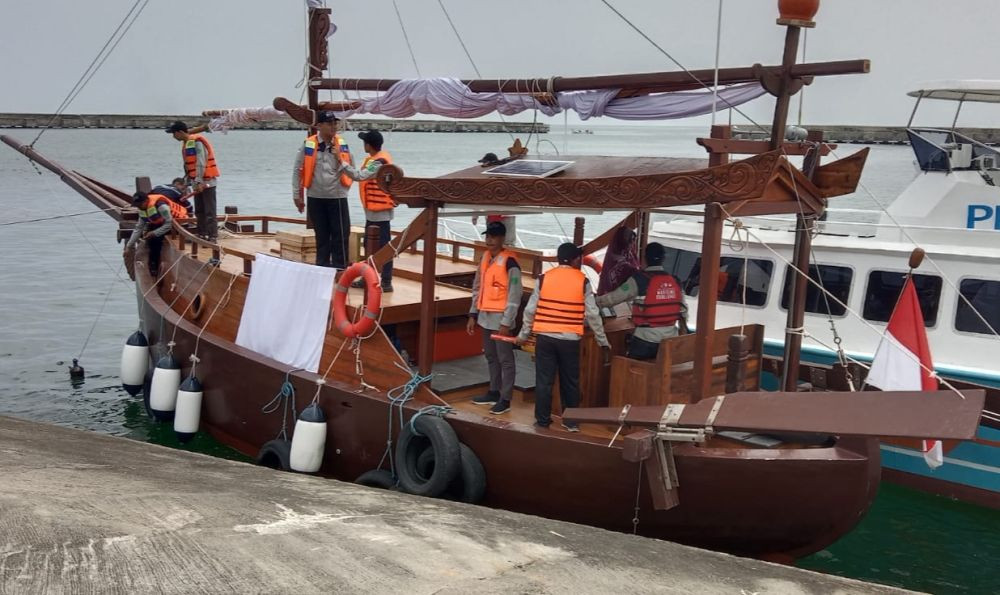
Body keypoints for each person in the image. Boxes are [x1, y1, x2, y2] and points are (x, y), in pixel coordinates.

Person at [516, 243, 610, 431]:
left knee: (544, 381)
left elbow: (530, 310)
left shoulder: (544, 279)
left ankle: (542, 421)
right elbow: (592, 314)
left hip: (545, 338)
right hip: (569, 340)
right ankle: (571, 422)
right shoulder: (582, 281)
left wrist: (523, 335)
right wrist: (602, 341)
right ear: (576, 259)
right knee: (570, 381)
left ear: (558, 258)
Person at [292, 111, 379, 268]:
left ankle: (340, 269)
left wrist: (339, 158)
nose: (333, 126)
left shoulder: (342, 145)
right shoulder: (308, 144)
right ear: (319, 125)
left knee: (341, 235)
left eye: (335, 123)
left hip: (337, 197)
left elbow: (352, 169)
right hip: (315, 197)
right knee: (322, 236)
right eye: (329, 123)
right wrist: (297, 195)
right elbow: (298, 170)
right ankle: (322, 267)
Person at [466, 221, 523, 415]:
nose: (489, 239)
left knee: (505, 359)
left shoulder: (510, 262)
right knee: (490, 356)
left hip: (501, 319)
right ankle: (493, 390)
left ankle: (505, 398)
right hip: (485, 316)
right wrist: (473, 314)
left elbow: (515, 294)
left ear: (502, 238)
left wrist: (507, 321)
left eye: (493, 236)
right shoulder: (485, 258)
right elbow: (477, 287)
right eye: (487, 236)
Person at [596, 242, 688, 360]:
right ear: (663, 259)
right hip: (670, 340)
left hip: (645, 339)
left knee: (631, 371)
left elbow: (613, 298)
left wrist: (595, 301)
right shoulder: (676, 282)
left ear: (644, 258)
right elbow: (684, 311)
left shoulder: (639, 279)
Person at [353, 129, 395, 291]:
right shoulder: (374, 160)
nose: (363, 144)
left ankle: (386, 281)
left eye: (364, 142)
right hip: (372, 212)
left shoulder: (379, 162)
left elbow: (360, 176)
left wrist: (343, 165)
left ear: (368, 145)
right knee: (369, 245)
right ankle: (368, 277)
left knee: (384, 247)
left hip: (381, 213)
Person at [166, 121, 220, 241]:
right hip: (196, 183)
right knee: (199, 210)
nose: (173, 137)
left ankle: (212, 236)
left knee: (209, 211)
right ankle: (202, 233)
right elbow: (188, 166)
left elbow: (201, 162)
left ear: (179, 132)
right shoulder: (187, 143)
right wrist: (187, 182)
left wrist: (200, 181)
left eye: (174, 134)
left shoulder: (197, 142)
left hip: (207, 183)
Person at [124, 190, 176, 277]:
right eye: (137, 206)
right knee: (149, 237)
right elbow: (139, 228)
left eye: (139, 205)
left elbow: (169, 224)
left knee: (155, 239)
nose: (138, 207)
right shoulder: (142, 209)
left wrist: (155, 233)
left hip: (177, 223)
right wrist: (129, 246)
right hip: (160, 222)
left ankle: (154, 266)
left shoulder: (161, 206)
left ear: (146, 201)